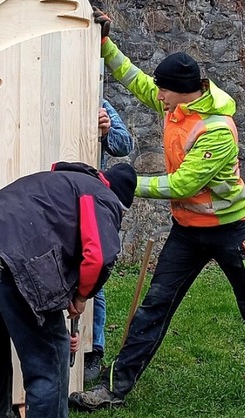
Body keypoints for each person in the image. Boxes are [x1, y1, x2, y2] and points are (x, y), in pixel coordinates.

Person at [69, 10, 245, 411]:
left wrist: (122, 182)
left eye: (163, 91)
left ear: (181, 91)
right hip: (187, 231)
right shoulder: (175, 105)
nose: (155, 96)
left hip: (233, 233)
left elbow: (183, 185)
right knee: (154, 307)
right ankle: (114, 390)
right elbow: (135, 78)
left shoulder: (216, 128)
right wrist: (104, 44)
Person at [0, 161, 137, 418]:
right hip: (9, 252)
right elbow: (98, 256)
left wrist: (67, 297)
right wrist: (81, 297)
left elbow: (56, 241)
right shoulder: (101, 196)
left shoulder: (64, 183)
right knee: (50, 357)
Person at [86, 100, 135, 383]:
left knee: (95, 274)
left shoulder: (98, 100)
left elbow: (124, 145)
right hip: (54, 199)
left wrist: (105, 132)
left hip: (92, 200)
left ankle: (93, 349)